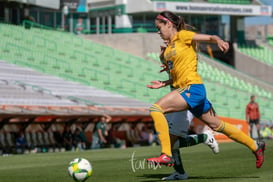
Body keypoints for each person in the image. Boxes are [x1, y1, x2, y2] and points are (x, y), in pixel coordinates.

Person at [146, 11, 265, 169]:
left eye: (159, 27)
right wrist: (164, 82)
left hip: (192, 89)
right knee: (218, 126)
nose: (158, 31)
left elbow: (209, 37)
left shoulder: (182, 36)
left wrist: (219, 40)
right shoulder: (167, 50)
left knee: (156, 109)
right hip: (188, 91)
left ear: (169, 24)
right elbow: (177, 74)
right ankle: (255, 146)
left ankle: (166, 155)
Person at [159, 40, 219, 180]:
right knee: (168, 139)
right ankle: (180, 172)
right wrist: (163, 54)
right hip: (174, 99)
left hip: (184, 100)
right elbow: (165, 61)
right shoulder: (171, 52)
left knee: (170, 142)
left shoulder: (185, 55)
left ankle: (205, 137)